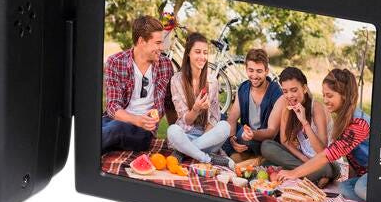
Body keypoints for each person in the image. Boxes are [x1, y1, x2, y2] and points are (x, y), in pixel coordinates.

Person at [279, 69, 370, 202]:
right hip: (363, 175)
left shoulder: (359, 125)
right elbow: (352, 159)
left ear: (344, 95)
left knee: (360, 188)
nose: (325, 100)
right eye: (324, 95)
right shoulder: (345, 119)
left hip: (379, 174)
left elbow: (327, 155)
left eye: (329, 96)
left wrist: (294, 173)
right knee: (344, 188)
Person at [102, 15, 174, 153]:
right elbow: (112, 106)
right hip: (115, 120)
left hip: (143, 130)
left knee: (115, 129)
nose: (162, 47)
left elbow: (169, 103)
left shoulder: (165, 65)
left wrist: (175, 134)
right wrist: (135, 119)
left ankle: (83, 152)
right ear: (141, 41)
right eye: (158, 43)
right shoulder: (115, 62)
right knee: (96, 128)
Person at [165, 33, 233, 167]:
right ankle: (207, 158)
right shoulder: (177, 80)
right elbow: (186, 120)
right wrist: (196, 109)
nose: (202, 57)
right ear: (188, 54)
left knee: (225, 126)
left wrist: (206, 135)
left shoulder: (212, 81)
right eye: (197, 52)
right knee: (172, 131)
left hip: (206, 137)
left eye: (205, 53)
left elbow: (215, 117)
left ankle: (184, 152)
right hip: (185, 134)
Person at [259, 67, 337, 182]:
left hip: (324, 161)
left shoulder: (316, 108)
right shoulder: (288, 106)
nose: (289, 95)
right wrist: (303, 158)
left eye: (294, 90)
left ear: (304, 88)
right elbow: (285, 141)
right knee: (266, 146)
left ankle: (310, 173)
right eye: (285, 91)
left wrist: (304, 122)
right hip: (303, 158)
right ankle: (311, 174)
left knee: (326, 168)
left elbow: (322, 151)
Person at [223, 48, 283, 162]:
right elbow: (232, 119)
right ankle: (241, 154)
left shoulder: (276, 93)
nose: (254, 76)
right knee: (220, 120)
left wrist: (251, 134)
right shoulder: (243, 88)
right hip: (244, 136)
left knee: (252, 140)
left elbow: (272, 132)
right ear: (246, 69)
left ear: (266, 71)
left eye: (259, 71)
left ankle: (242, 156)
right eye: (251, 70)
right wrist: (231, 139)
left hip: (263, 141)